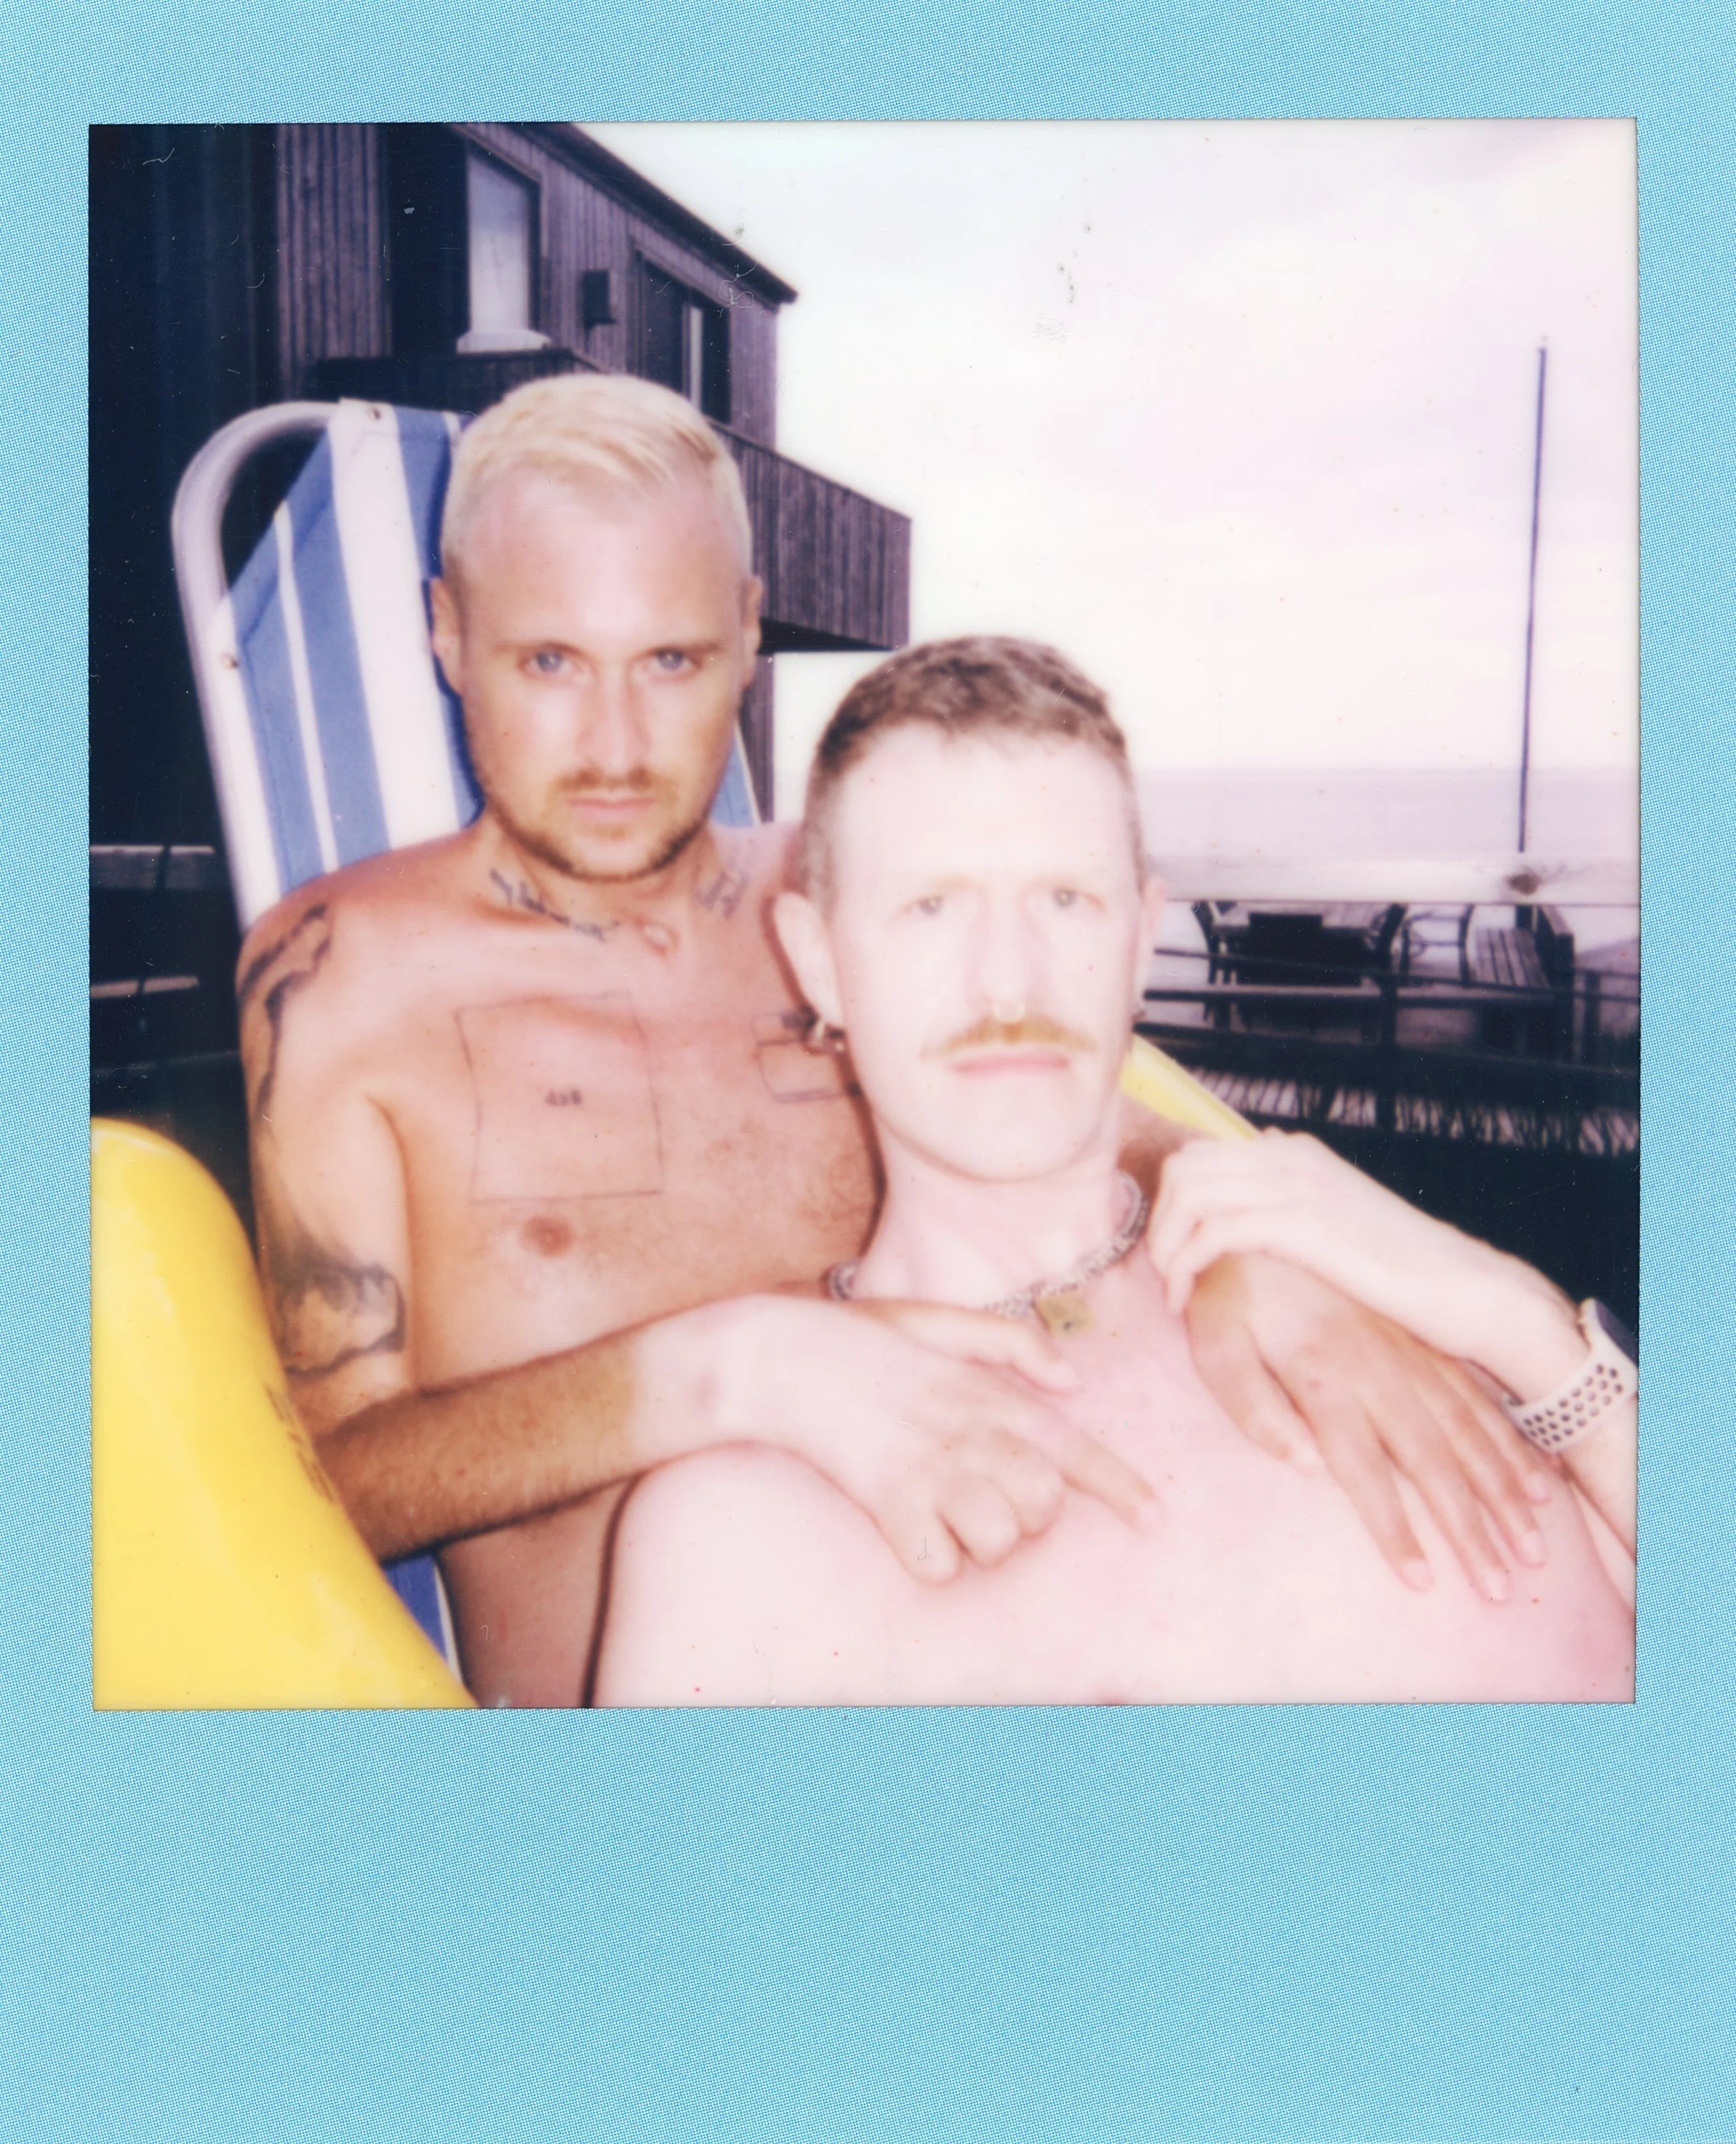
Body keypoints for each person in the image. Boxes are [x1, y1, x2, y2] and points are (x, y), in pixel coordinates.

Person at [239, 374, 1557, 1708]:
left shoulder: (868, 905)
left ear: (749, 633)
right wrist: (728, 1370)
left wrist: (1265, 1256)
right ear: (446, 632)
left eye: (674, 662)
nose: (616, 747)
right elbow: (324, 1484)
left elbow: (1101, 1124)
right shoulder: (342, 985)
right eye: (549, 664)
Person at [591, 639, 1633, 1704]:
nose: (1008, 981)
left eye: (1066, 902)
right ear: (819, 963)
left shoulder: (1390, 1314)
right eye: (931, 908)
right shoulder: (737, 1533)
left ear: (1141, 941)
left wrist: (1514, 1318)